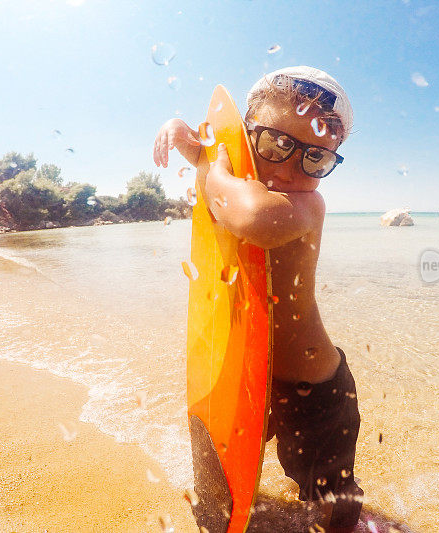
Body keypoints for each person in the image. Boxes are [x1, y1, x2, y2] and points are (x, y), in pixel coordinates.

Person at [153, 66, 363, 533]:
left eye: (315, 161)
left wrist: (208, 167)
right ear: (247, 138)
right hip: (250, 374)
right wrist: (187, 137)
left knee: (330, 497)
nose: (290, 171)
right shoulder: (240, 183)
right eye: (274, 145)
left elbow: (253, 220)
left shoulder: (304, 206)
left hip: (314, 390)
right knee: (233, 466)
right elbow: (218, 155)